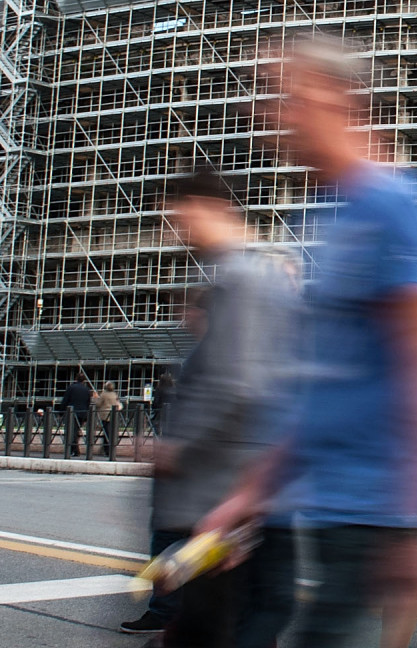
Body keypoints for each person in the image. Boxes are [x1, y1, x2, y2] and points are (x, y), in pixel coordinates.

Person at [195, 34, 417, 648]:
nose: (270, 116)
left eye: (285, 96)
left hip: (374, 516)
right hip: (315, 509)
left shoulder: (399, 207)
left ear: (333, 96)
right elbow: (319, 386)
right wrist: (248, 495)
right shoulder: (316, 218)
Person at [127, 167, 300, 644]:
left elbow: (238, 385)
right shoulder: (257, 279)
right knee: (247, 614)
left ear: (211, 208)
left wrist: (176, 449)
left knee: (233, 620)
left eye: (180, 217)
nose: (176, 230)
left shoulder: (243, 280)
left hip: (223, 489)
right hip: (240, 491)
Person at [63, 372, 94, 456]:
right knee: (76, 431)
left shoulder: (71, 388)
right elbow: (88, 403)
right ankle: (75, 449)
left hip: (72, 412)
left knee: (72, 431)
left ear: (76, 379)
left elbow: (65, 400)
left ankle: (74, 450)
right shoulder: (87, 390)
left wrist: (61, 411)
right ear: (84, 380)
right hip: (82, 413)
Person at [94, 381, 124, 459]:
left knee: (106, 432)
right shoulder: (115, 394)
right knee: (110, 432)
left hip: (104, 415)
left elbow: (98, 404)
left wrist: (95, 398)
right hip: (113, 415)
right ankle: (110, 449)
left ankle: (106, 450)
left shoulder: (104, 394)